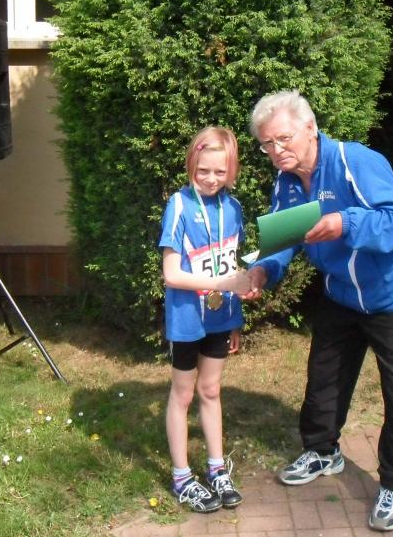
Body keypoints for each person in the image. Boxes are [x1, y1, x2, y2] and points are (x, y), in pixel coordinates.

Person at [246, 90, 393, 532]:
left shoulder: (354, 161)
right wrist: (263, 270)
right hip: (340, 293)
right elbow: (284, 235)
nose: (277, 150)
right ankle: (322, 452)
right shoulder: (287, 180)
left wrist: (345, 222)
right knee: (325, 377)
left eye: (284, 139)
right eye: (267, 144)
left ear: (311, 128)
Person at [159, 126, 252, 513]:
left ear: (232, 170)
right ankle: (182, 477)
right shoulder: (179, 205)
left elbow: (230, 263)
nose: (211, 179)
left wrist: (236, 315)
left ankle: (216, 468)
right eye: (203, 171)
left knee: (211, 390)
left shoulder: (234, 208)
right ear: (190, 166)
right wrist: (223, 283)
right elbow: (171, 274)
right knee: (183, 394)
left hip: (220, 317)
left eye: (220, 171)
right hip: (187, 319)